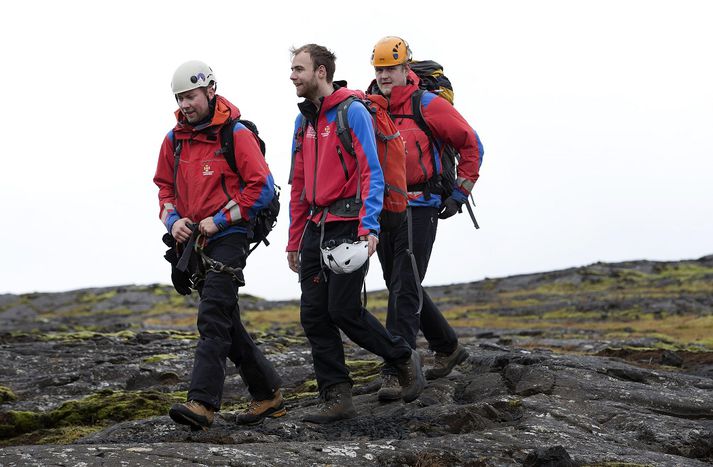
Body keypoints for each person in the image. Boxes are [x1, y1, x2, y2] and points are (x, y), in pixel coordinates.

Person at [287, 44, 425, 423]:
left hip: (349, 224)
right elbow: (298, 183)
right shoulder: (304, 121)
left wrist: (369, 227)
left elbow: (372, 173)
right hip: (315, 228)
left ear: (321, 72)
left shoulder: (353, 112)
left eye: (299, 69)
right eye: (292, 69)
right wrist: (293, 238)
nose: (293, 76)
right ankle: (336, 397)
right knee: (314, 315)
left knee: (343, 310)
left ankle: (401, 357)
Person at [154, 60, 285, 430]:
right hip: (192, 241)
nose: (186, 104)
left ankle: (202, 403)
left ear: (210, 90)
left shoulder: (236, 134)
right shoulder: (173, 140)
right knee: (227, 319)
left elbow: (260, 187)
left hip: (230, 236)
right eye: (180, 98)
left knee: (212, 316)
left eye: (191, 96)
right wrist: (173, 220)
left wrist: (221, 220)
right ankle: (268, 394)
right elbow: (164, 188)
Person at [368, 37, 484, 401]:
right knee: (402, 281)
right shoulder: (369, 106)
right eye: (380, 69)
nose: (385, 75)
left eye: (391, 68)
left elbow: (472, 144)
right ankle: (447, 346)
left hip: (421, 205)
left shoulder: (428, 105)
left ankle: (397, 368)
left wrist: (459, 193)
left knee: (404, 283)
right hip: (386, 207)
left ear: (406, 68)